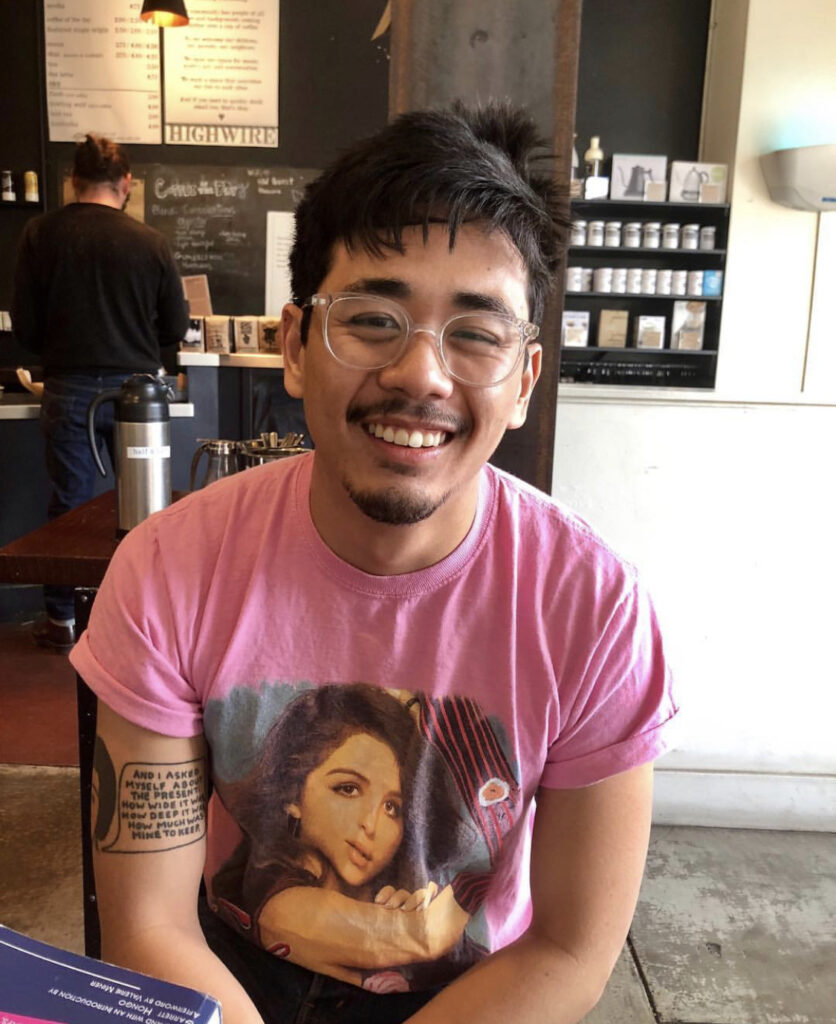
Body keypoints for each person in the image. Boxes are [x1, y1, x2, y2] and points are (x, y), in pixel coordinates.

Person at [70, 102, 678, 1024]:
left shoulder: (591, 607)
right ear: (296, 346)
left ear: (524, 380)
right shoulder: (168, 569)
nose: (423, 375)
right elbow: (151, 924)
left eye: (475, 334)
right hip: (231, 983)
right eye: (373, 318)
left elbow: (570, 948)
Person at [11, 133, 189, 653]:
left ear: (73, 180)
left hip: (69, 386)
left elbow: (24, 327)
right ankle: (145, 620)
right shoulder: (149, 241)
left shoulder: (40, 234)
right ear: (126, 183)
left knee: (70, 505)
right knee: (145, 511)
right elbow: (174, 324)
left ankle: (64, 620)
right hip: (140, 396)